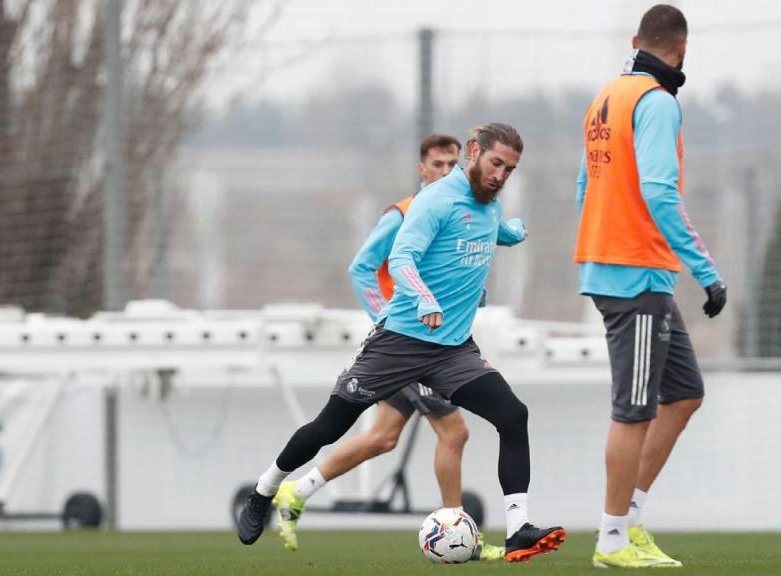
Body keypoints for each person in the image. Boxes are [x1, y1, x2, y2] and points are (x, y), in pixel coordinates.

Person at [239, 123, 566, 563]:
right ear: (474, 152)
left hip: (453, 351)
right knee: (329, 427)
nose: (500, 175)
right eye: (495, 164)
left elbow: (488, 231)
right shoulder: (434, 200)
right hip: (399, 343)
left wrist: (513, 231)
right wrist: (425, 299)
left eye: (509, 169)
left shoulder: (489, 204)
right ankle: (265, 491)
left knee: (512, 414)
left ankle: (518, 531)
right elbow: (401, 257)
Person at [575, 4, 727, 569]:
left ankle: (629, 520)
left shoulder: (606, 97)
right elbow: (661, 192)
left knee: (683, 395)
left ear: (638, 40)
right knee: (634, 410)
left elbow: (583, 185)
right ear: (683, 49)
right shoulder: (657, 103)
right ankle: (611, 540)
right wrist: (707, 273)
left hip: (619, 267)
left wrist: (592, 251)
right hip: (634, 271)